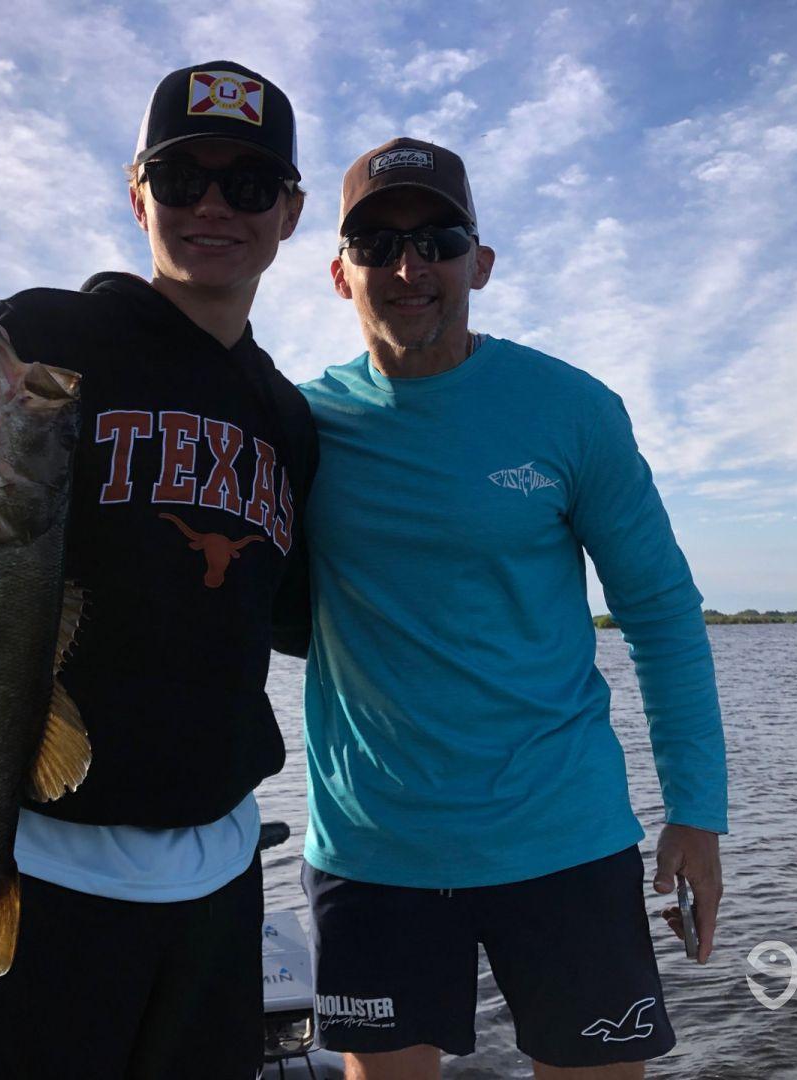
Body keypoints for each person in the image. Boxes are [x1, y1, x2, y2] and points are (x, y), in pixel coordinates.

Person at [0, 60, 315, 1080]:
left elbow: (299, 618)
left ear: (291, 213)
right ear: (138, 193)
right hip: (37, 882)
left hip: (221, 890)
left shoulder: (288, 418)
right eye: (182, 180)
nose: (213, 205)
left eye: (250, 185)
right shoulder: (48, 335)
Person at [292, 137, 728, 1080]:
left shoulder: (572, 410)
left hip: (564, 839)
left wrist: (696, 811)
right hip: (374, 851)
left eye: (438, 239)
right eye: (375, 245)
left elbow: (659, 614)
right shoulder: (299, 427)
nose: (409, 267)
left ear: (479, 264)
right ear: (339, 274)